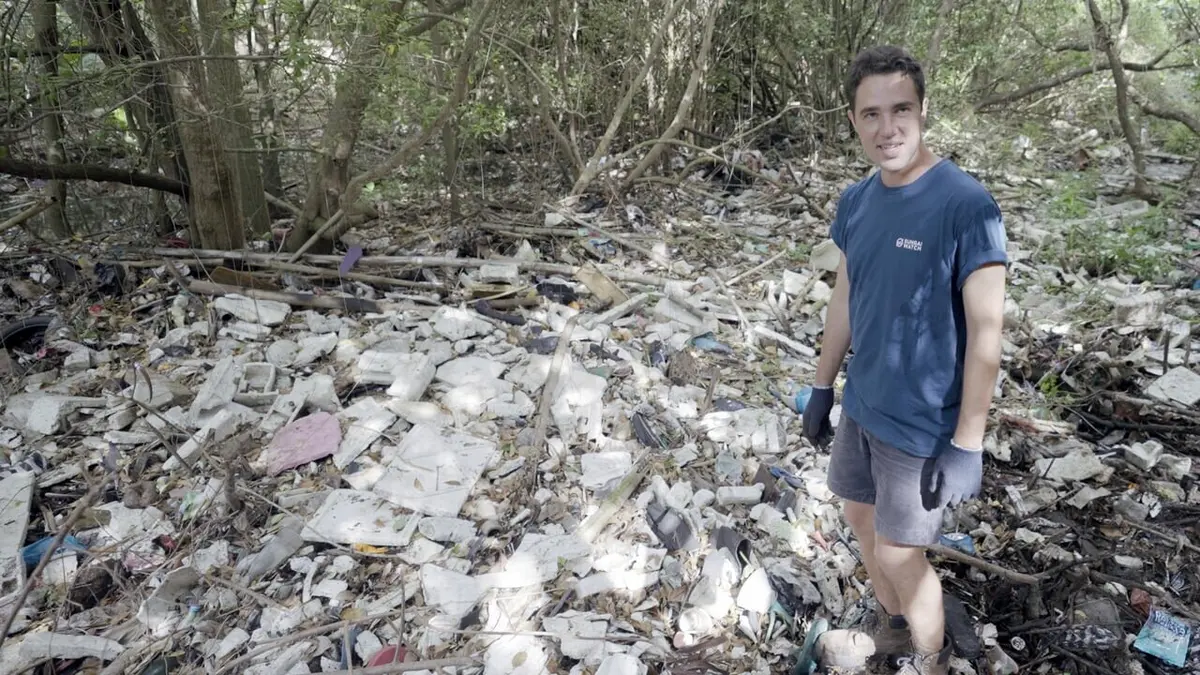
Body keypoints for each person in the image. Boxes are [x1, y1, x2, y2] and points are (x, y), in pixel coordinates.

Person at [801, 45, 1008, 675]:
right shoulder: (857, 201)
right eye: (871, 114)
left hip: (921, 425)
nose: (887, 128)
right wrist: (822, 386)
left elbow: (987, 333)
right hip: (864, 403)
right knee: (858, 516)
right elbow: (846, 296)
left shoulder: (966, 205)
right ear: (853, 120)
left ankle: (930, 657)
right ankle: (894, 630)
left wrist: (968, 443)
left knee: (898, 553)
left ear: (922, 112)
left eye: (901, 110)